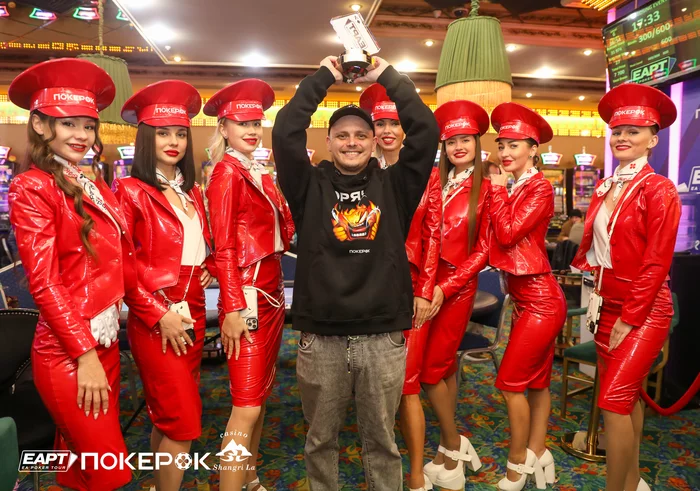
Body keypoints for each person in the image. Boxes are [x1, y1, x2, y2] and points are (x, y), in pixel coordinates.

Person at [7, 58, 188, 491]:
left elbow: (123, 267)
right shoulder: (32, 187)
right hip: (68, 352)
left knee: (81, 470)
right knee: (109, 471)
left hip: (102, 341)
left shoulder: (92, 183)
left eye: (88, 126)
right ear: (39, 125)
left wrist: (156, 312)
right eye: (68, 124)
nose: (82, 135)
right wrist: (85, 356)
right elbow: (45, 283)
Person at [272, 56, 439, 491]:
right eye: (342, 135)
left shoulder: (397, 185)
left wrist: (387, 77)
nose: (351, 142)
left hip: (383, 336)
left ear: (374, 141)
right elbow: (285, 130)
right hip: (321, 337)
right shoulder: (307, 185)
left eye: (361, 135)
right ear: (328, 143)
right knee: (320, 440)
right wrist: (325, 77)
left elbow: (426, 130)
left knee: (382, 440)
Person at [572, 84, 680, 491]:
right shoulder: (606, 185)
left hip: (644, 310)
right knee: (626, 398)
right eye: (617, 131)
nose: (622, 137)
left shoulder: (659, 189)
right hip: (605, 304)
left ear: (653, 139)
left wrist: (630, 317)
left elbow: (657, 261)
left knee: (613, 403)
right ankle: (632, 481)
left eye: (633, 131)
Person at [113, 80, 215, 491]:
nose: (174, 142)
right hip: (156, 315)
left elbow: (202, 244)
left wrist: (209, 265)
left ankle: (158, 484)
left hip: (194, 311)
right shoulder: (129, 190)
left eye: (180, 134)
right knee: (184, 421)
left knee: (167, 415)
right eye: (162, 133)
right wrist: (158, 315)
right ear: (145, 139)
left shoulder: (193, 192)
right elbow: (120, 264)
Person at [204, 79, 294, 491]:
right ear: (223, 128)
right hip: (248, 295)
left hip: (270, 291)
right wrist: (233, 307)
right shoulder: (226, 173)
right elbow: (223, 248)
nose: (252, 130)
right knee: (246, 405)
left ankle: (250, 478)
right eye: (242, 123)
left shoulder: (255, 171)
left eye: (256, 122)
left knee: (259, 399)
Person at [360, 83, 442, 491]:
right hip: (370, 290)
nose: (388, 131)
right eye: (381, 124)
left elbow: (433, 235)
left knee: (408, 384)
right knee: (372, 384)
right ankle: (379, 468)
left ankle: (415, 473)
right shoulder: (362, 173)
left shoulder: (426, 176)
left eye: (395, 123)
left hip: (410, 290)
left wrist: (425, 290)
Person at [488, 102, 567, 491]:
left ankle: (518, 462)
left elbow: (507, 234)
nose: (505, 152)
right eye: (501, 145)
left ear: (533, 149)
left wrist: (497, 191)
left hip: (541, 301)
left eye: (514, 145)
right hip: (527, 300)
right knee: (537, 384)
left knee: (509, 383)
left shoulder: (539, 187)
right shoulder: (518, 185)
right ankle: (539, 451)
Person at [420, 100, 491, 490]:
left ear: (477, 144)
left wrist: (445, 288)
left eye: (465, 139)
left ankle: (453, 443)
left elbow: (483, 251)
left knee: (430, 370)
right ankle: (448, 451)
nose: (458, 147)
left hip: (457, 288)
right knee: (443, 367)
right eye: (451, 142)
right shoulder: (435, 180)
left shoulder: (488, 188)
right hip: (427, 282)